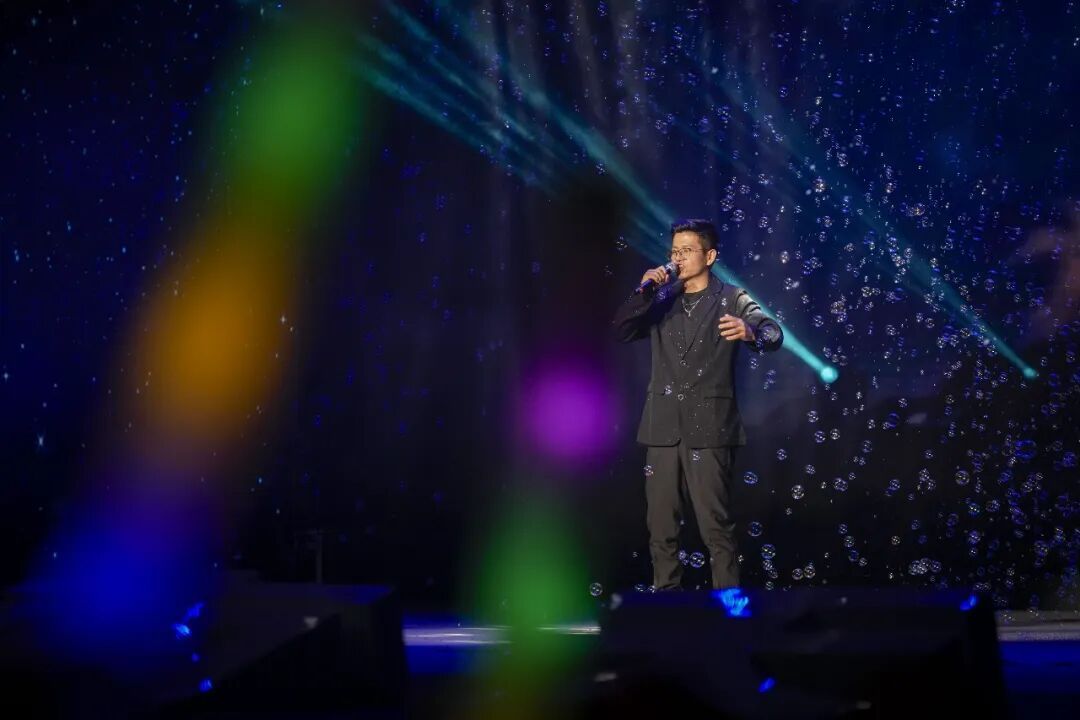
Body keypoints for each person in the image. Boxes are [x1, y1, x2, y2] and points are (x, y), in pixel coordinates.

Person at [613, 219, 783, 590]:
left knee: (716, 528)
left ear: (710, 256)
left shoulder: (732, 297)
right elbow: (622, 330)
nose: (678, 258)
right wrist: (643, 292)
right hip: (662, 428)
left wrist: (751, 331)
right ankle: (666, 606)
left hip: (710, 428)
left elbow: (772, 332)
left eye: (687, 251)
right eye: (674, 251)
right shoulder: (661, 300)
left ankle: (730, 609)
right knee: (661, 528)